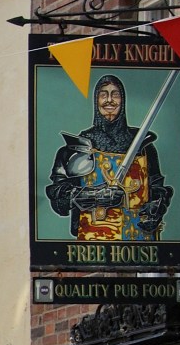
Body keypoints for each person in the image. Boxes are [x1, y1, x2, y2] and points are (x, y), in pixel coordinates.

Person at [45, 74, 173, 244]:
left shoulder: (143, 146)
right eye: (104, 94)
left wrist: (156, 206)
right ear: (96, 100)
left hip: (138, 238)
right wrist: (95, 196)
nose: (109, 100)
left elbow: (156, 187)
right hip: (95, 238)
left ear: (123, 100)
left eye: (115, 94)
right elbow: (58, 199)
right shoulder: (77, 148)